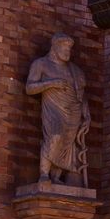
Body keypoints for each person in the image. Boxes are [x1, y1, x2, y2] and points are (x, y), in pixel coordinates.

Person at [26, 34, 90, 185]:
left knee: (67, 143)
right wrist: (52, 83)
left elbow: (81, 94)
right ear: (54, 47)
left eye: (69, 48)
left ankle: (56, 177)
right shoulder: (41, 64)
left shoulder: (75, 70)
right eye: (64, 47)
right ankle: (44, 174)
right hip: (54, 109)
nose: (67, 51)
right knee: (54, 136)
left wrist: (86, 114)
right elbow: (29, 88)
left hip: (73, 111)